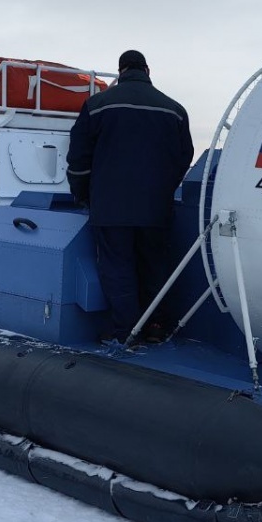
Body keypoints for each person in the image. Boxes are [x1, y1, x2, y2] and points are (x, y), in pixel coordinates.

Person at [67, 49, 194, 345]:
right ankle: (157, 326)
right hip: (156, 207)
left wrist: (82, 193)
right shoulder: (174, 109)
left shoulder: (97, 105)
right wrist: (164, 189)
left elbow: (79, 158)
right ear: (147, 71)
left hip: (110, 206)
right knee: (154, 265)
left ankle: (126, 332)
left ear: (121, 71)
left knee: (118, 267)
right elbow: (184, 157)